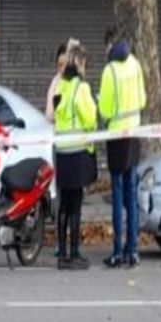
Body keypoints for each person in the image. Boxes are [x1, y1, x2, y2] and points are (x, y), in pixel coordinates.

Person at [98, 30, 146, 269]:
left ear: (111, 45)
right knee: (131, 191)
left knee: (117, 192)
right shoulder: (135, 64)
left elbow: (105, 109)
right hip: (135, 133)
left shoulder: (110, 71)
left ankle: (117, 250)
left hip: (117, 135)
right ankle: (133, 249)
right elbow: (144, 100)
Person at [52, 41, 96, 271]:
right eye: (85, 64)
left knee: (64, 206)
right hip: (77, 151)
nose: (86, 69)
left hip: (62, 151)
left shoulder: (62, 86)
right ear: (79, 64)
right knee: (76, 205)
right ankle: (75, 253)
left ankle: (62, 256)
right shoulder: (81, 88)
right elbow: (90, 119)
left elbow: (56, 111)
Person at [44, 40, 71, 121]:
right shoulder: (55, 83)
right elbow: (49, 114)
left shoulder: (77, 83)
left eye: (65, 65)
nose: (62, 69)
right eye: (60, 65)